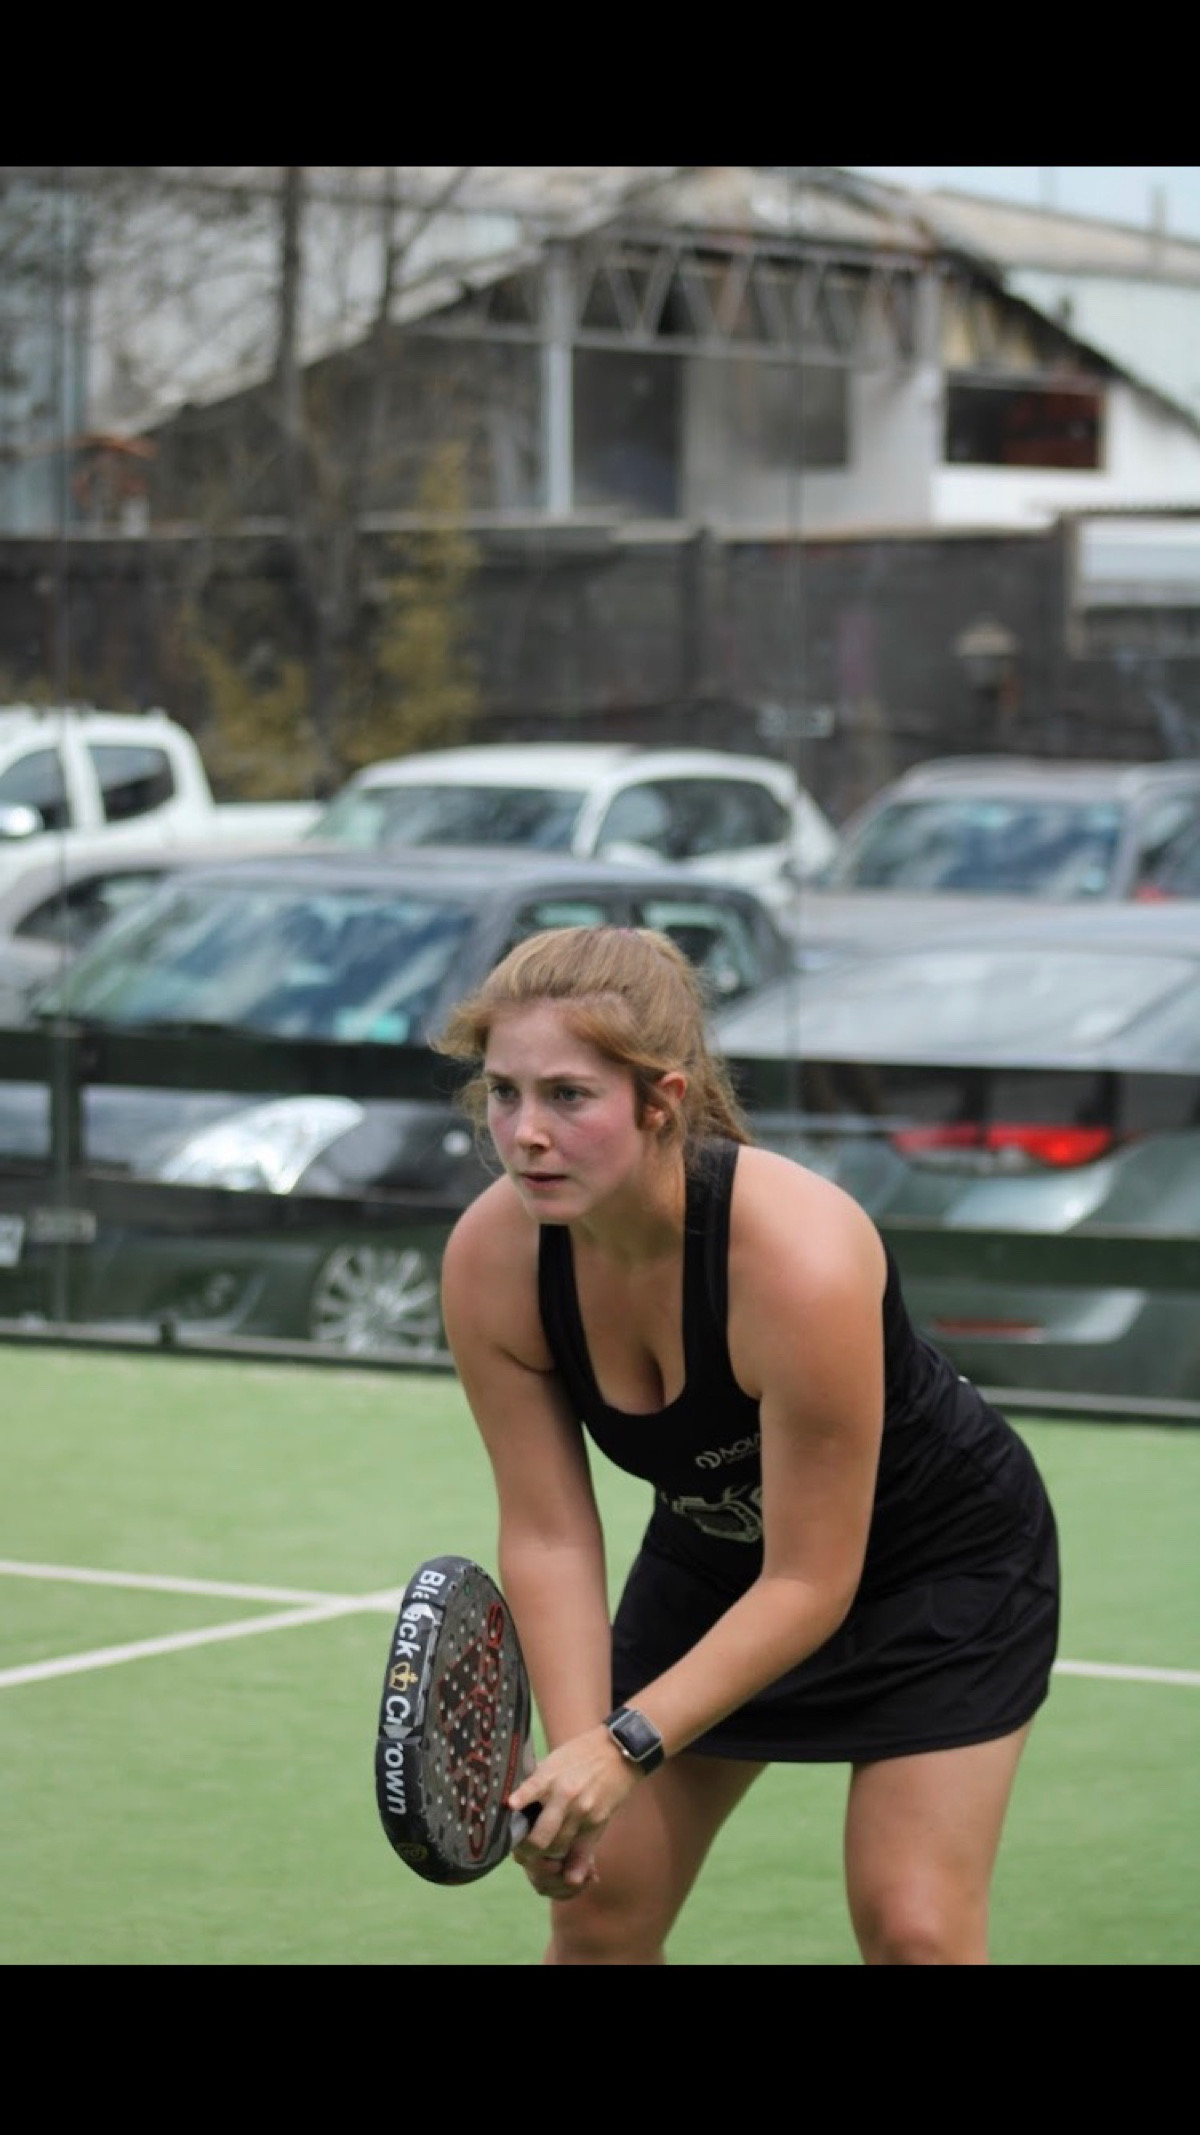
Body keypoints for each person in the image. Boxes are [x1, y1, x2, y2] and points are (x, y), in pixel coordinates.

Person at [434, 924, 1060, 1966]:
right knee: (597, 1913)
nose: (526, 1132)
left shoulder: (799, 1258)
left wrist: (626, 1744)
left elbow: (812, 1578)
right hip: (716, 1563)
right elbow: (548, 1533)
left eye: (569, 1095)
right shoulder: (493, 1261)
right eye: (504, 1091)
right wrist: (581, 1755)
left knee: (915, 1930)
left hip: (940, 1571)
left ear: (662, 1099)